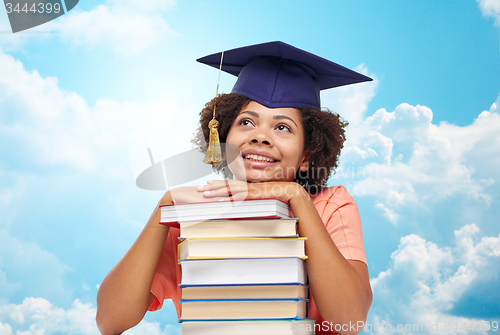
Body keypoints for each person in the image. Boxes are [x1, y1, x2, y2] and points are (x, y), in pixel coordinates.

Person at [96, 41, 373, 335]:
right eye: (246, 122)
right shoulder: (191, 215)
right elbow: (111, 320)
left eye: (282, 127)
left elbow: (349, 320)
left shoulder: (331, 205)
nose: (261, 137)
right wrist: (163, 209)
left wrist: (296, 197)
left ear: (307, 155)